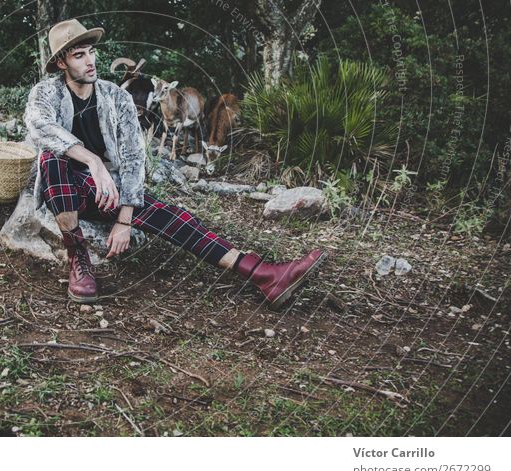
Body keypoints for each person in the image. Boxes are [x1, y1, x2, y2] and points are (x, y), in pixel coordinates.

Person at [23, 18, 327, 307]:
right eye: (79, 55)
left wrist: (125, 218)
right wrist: (93, 161)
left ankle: (264, 274)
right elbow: (39, 126)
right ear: (61, 63)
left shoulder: (115, 96)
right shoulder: (46, 93)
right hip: (63, 190)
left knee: (173, 216)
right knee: (53, 158)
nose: (90, 61)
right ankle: (78, 258)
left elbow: (133, 157)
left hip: (106, 192)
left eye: (91, 52)